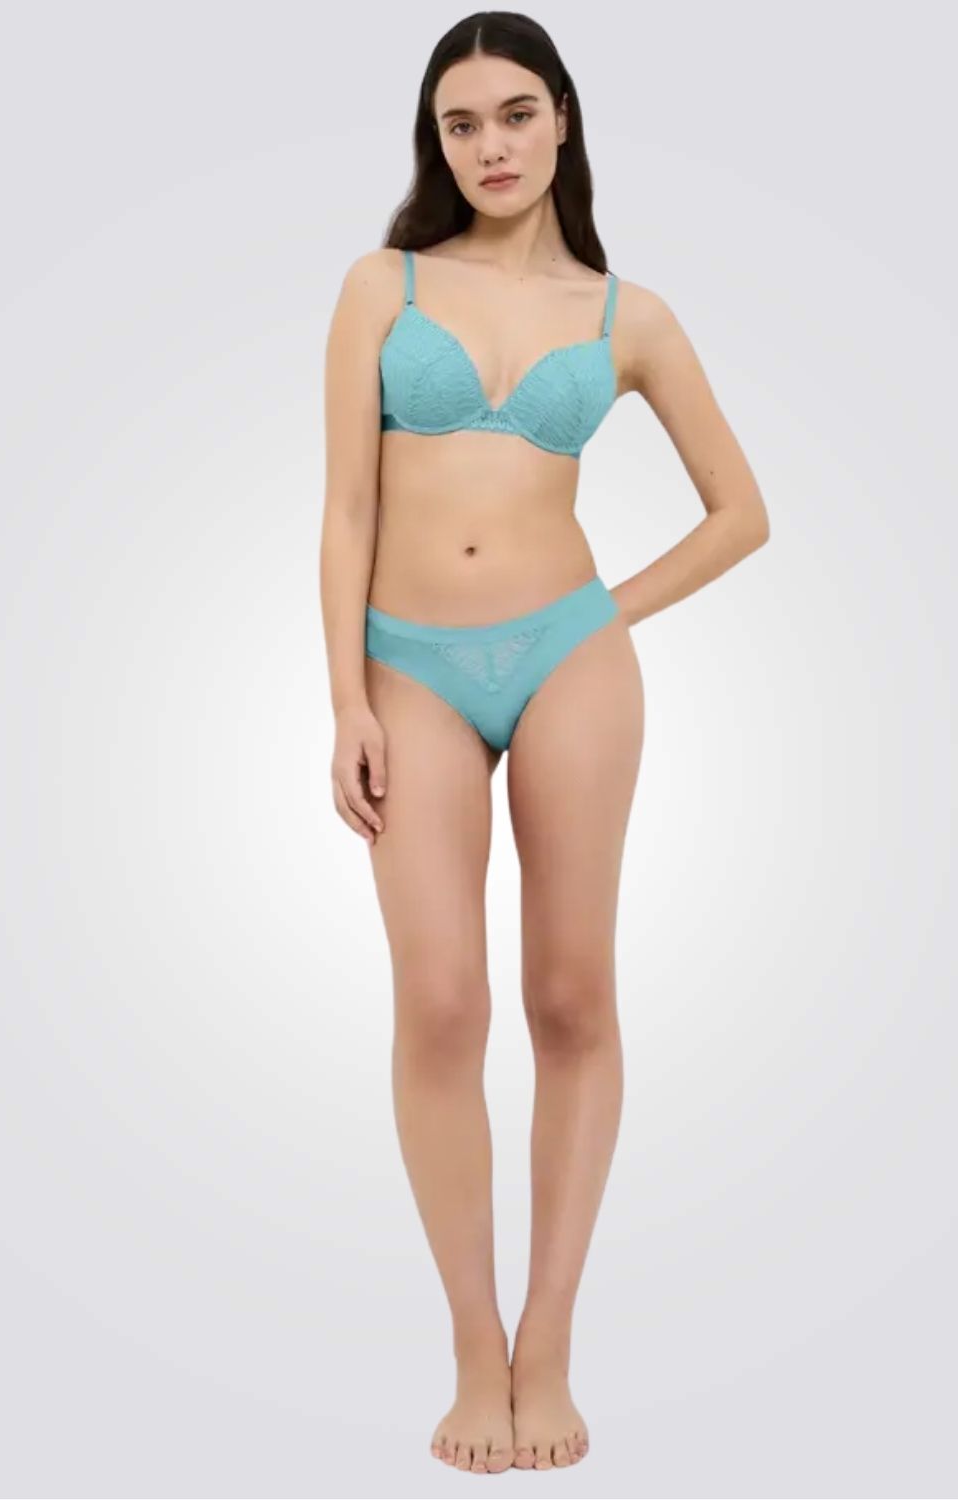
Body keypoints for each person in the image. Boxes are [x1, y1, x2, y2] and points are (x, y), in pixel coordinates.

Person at [319, 11, 770, 1477]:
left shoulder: (628, 315)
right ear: (436, 143)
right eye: (461, 124)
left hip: (571, 660)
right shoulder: (383, 286)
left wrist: (600, 614)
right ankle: (472, 1349)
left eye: (516, 114)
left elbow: (742, 513)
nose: (491, 146)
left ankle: (549, 1345)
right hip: (409, 666)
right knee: (442, 1001)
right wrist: (345, 701)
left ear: (563, 119)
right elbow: (345, 508)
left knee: (571, 996)